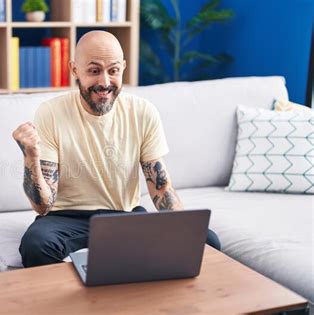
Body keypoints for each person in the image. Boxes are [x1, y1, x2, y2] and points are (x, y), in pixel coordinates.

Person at [12, 31, 220, 268]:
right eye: (93, 70)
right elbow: (43, 206)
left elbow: (161, 188)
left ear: (123, 68)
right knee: (37, 244)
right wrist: (31, 156)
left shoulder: (143, 111)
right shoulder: (50, 112)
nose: (104, 82)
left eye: (113, 70)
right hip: (66, 218)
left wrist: (183, 226)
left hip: (125, 216)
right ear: (74, 70)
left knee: (207, 241)